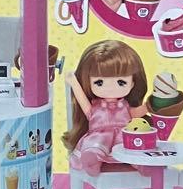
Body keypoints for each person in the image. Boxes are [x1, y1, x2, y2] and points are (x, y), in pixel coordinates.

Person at [63, 39, 148, 174]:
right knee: (95, 145)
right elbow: (82, 101)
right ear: (88, 82)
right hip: (99, 136)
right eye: (99, 82)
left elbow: (135, 113)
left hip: (123, 136)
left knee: (132, 148)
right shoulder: (95, 107)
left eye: (121, 82)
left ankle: (141, 164)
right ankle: (92, 161)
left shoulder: (124, 105)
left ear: (132, 83)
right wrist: (74, 83)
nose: (110, 88)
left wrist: (148, 106)